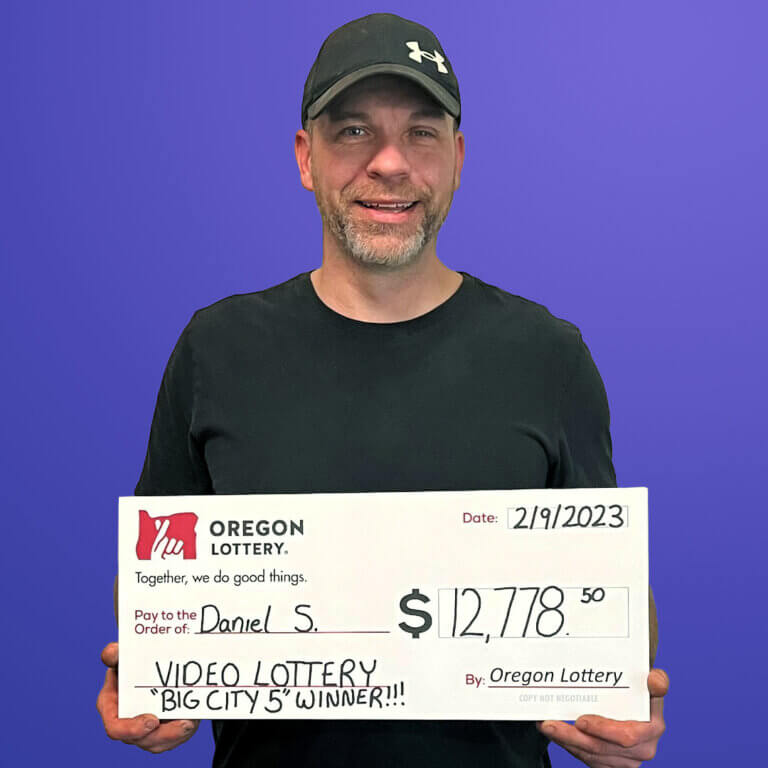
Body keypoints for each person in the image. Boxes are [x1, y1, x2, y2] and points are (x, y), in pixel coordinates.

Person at [97, 12, 668, 767]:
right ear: (306, 157)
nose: (390, 163)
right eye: (354, 131)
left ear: (457, 159)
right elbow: (157, 569)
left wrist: (621, 695)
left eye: (421, 132)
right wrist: (153, 668)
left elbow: (609, 594)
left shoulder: (548, 356)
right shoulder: (217, 348)